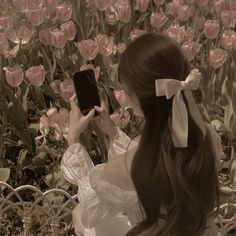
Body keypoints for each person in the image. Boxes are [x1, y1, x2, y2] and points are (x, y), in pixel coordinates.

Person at [61, 33, 222, 236]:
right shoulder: (204, 136)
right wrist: (112, 132)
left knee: (81, 217)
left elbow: (89, 208)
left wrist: (73, 139)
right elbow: (157, 151)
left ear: (135, 96)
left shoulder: (134, 165)